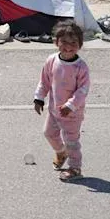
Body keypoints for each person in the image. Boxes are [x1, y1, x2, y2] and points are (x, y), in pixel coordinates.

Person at [33, 19, 90, 181]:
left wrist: (70, 105)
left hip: (72, 114)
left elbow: (83, 90)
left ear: (80, 45)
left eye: (73, 43)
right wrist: (39, 98)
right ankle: (61, 152)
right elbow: (44, 81)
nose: (68, 46)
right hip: (54, 110)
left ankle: (75, 167)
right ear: (56, 42)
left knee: (71, 141)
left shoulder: (81, 67)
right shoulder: (51, 61)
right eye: (64, 42)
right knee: (49, 133)